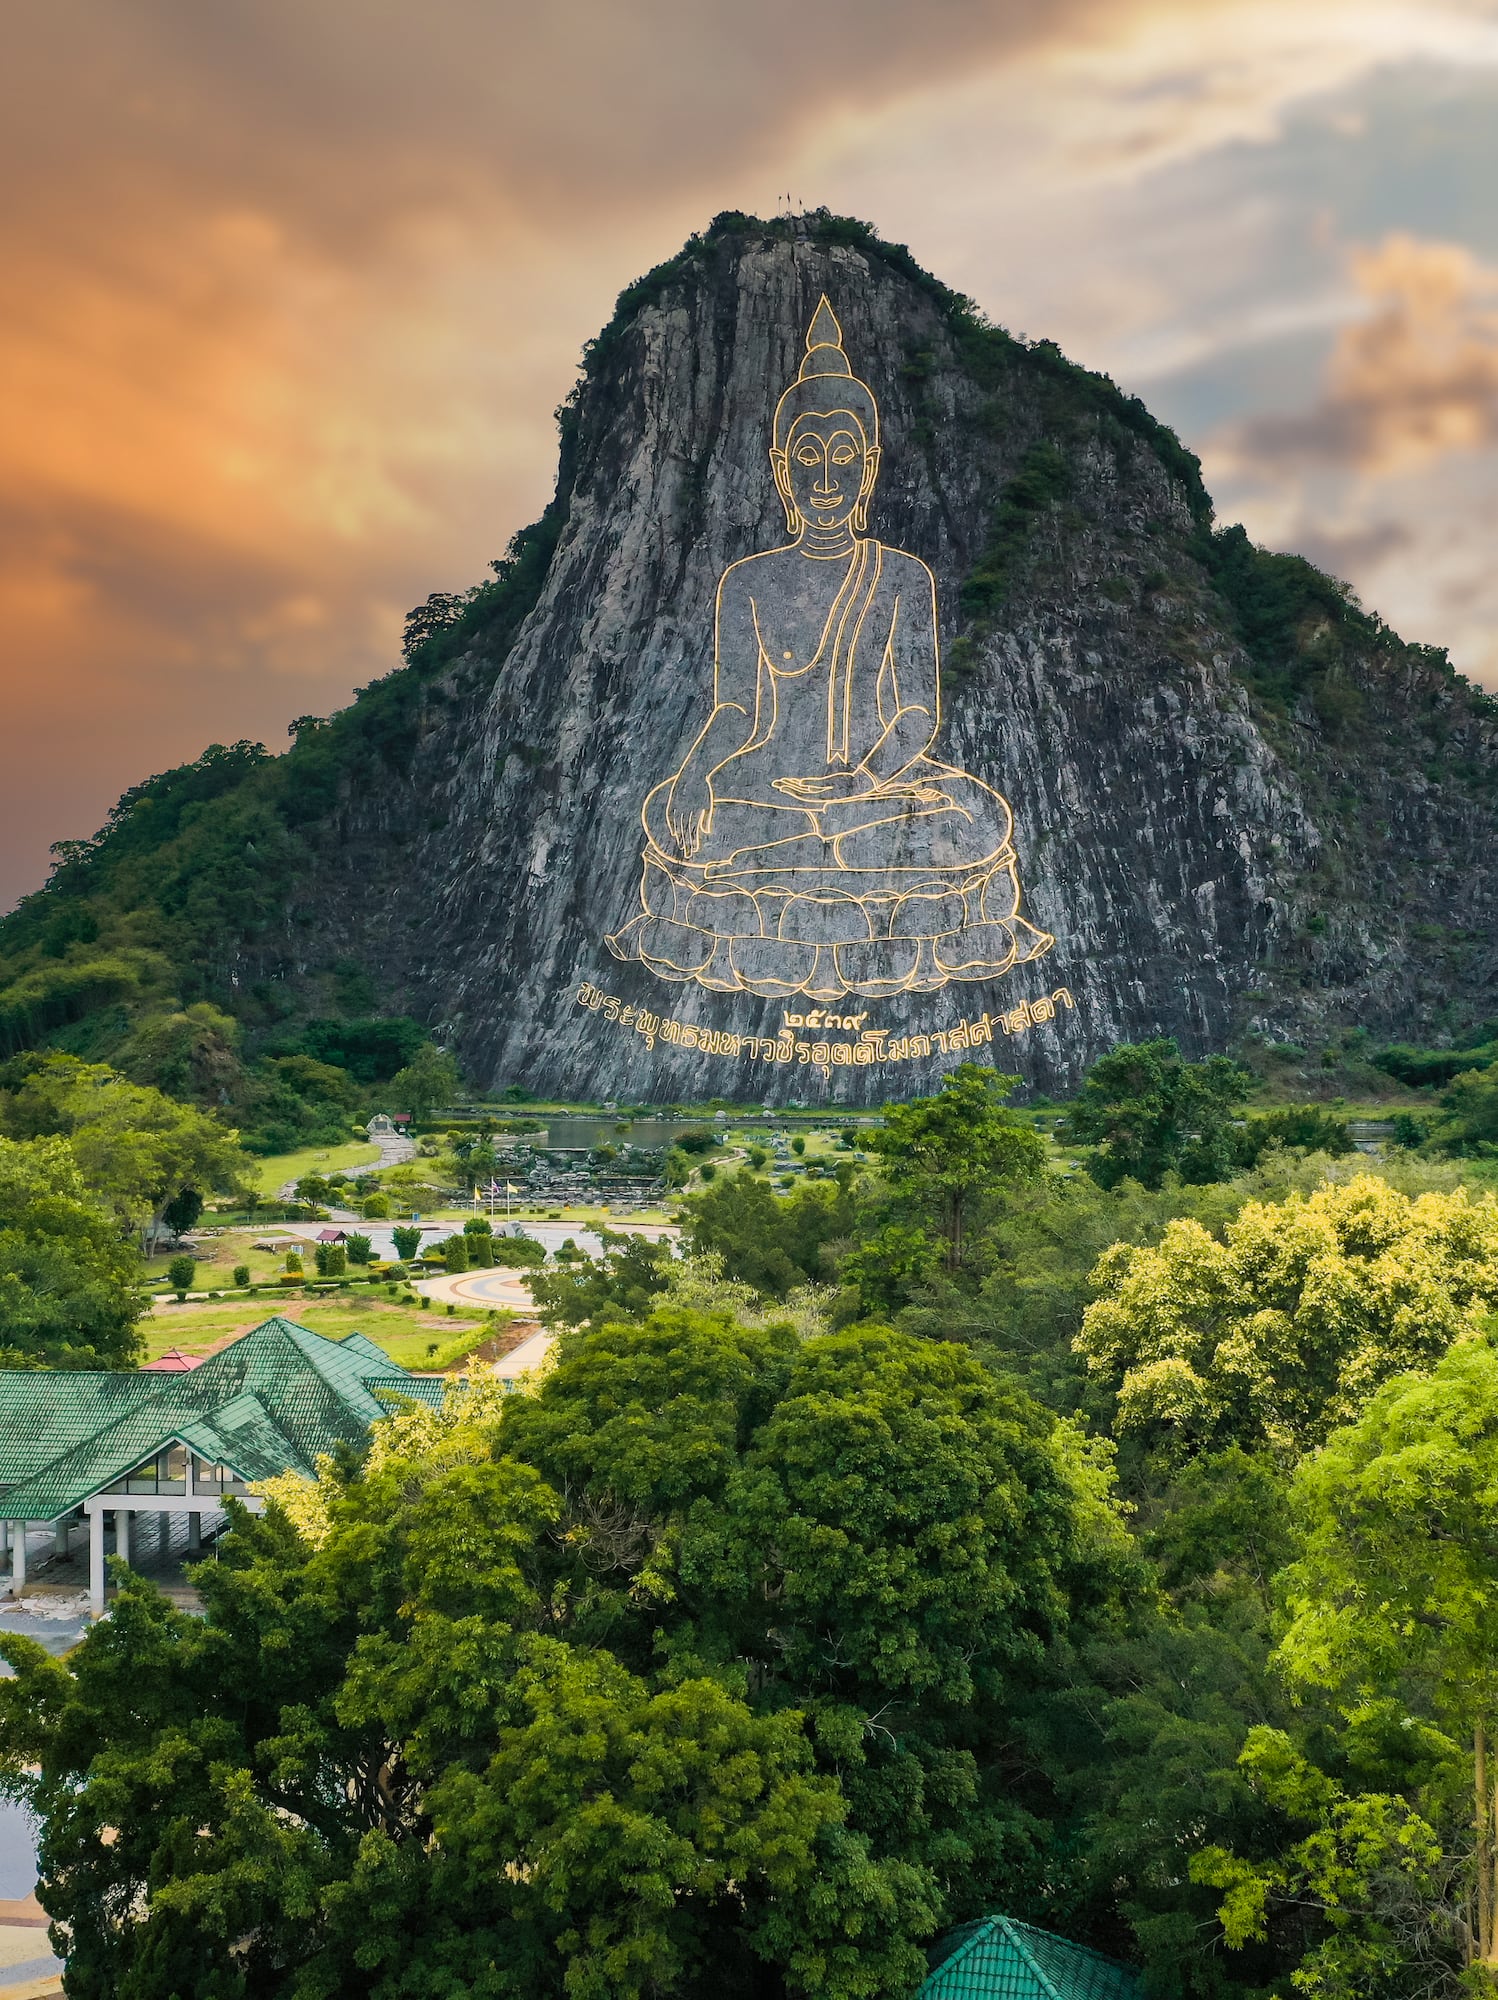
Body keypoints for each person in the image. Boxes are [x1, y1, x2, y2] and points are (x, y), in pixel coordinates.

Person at [608, 296, 1052, 1000]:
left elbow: (915, 712)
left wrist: (864, 781)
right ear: (783, 468)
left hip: (875, 791)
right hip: (770, 791)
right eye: (807, 458)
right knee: (681, 813)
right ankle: (830, 869)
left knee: (972, 819)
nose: (824, 479)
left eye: (842, 457)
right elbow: (736, 707)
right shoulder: (748, 581)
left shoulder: (903, 575)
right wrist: (695, 775)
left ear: (867, 466)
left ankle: (818, 868)